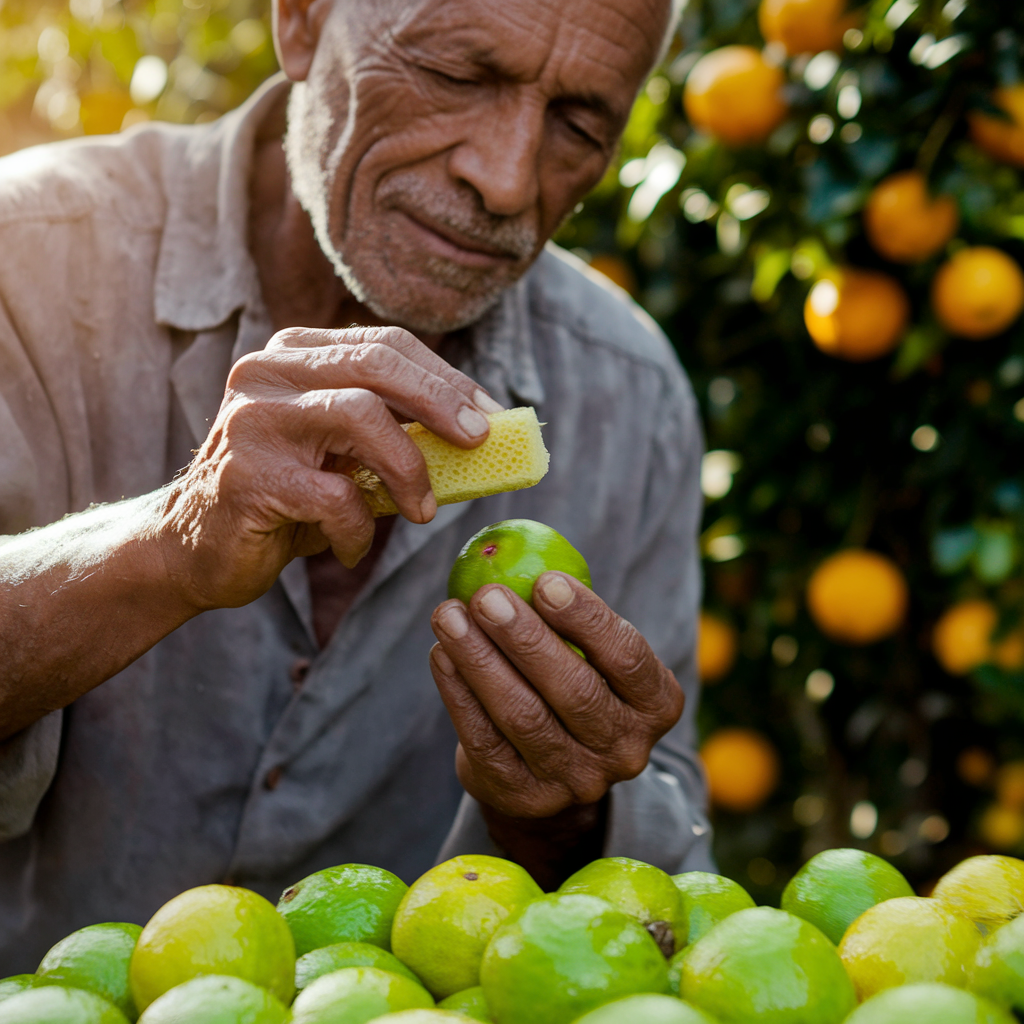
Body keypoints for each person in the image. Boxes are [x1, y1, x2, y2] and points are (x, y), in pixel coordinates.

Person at [0, 0, 710, 970]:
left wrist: (565, 810)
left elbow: (654, 865)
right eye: (457, 75)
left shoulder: (631, 400)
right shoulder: (26, 258)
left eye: (580, 126)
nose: (505, 180)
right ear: (300, 23)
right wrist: (169, 539)